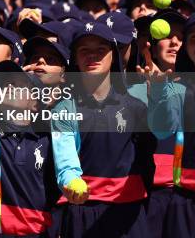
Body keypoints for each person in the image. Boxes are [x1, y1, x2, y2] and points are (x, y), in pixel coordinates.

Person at [50, 22, 156, 238]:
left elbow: (157, 142)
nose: (92, 56)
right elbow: (65, 161)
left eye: (100, 50)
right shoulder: (64, 108)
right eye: (84, 50)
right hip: (83, 212)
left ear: (113, 56)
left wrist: (160, 102)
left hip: (129, 212)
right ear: (75, 59)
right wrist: (71, 182)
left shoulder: (137, 104)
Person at [0, 61, 60, 236]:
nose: (8, 87)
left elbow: (56, 189)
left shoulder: (47, 140)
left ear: (35, 105)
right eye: (5, 84)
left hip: (37, 233)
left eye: (19, 85)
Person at [142, 11, 195, 237]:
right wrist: (158, 92)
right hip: (186, 201)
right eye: (194, 38)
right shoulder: (179, 89)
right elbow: (162, 129)